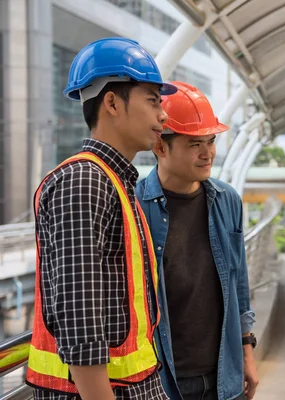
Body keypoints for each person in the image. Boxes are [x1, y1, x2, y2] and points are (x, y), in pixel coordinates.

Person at [26, 37, 177, 400]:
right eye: (153, 101)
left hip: (131, 385)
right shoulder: (84, 181)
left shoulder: (114, 181)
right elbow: (80, 317)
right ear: (111, 102)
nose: (163, 116)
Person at [136, 81, 259, 400]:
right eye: (194, 144)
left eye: (211, 141)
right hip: (162, 380)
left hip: (223, 375)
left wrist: (247, 352)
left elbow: (239, 280)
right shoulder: (135, 204)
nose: (208, 155)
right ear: (161, 147)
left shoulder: (227, 200)